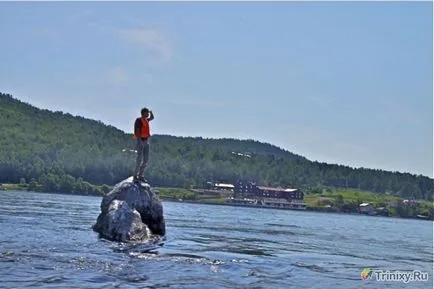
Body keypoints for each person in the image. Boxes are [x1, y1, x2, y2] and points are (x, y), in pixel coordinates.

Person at [133, 107, 154, 182]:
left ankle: (141, 175)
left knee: (146, 160)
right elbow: (138, 130)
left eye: (148, 113)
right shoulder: (139, 120)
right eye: (147, 113)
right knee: (139, 160)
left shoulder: (146, 120)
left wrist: (151, 112)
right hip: (140, 141)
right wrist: (139, 141)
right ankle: (135, 176)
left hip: (146, 141)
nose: (148, 114)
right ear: (143, 113)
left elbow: (152, 117)